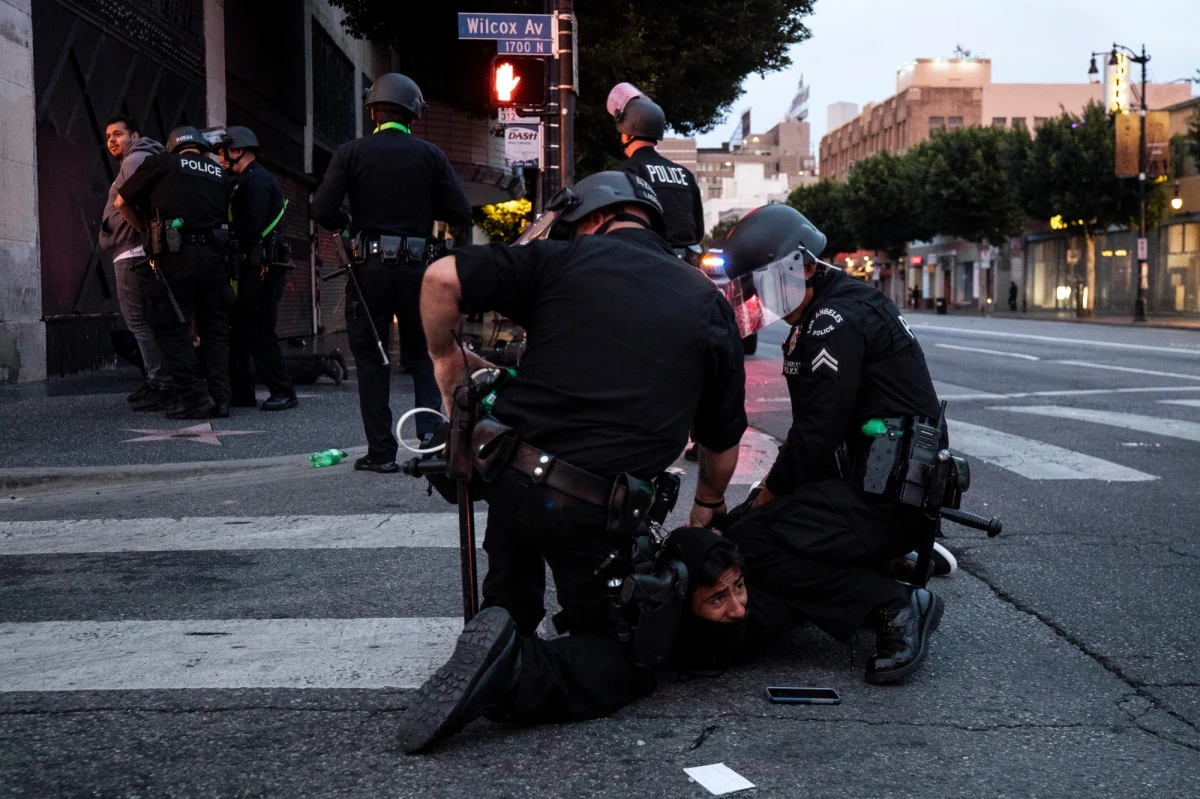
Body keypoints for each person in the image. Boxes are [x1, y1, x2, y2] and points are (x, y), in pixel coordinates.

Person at [397, 171, 748, 753]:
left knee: (511, 591)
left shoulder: (558, 261)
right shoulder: (706, 302)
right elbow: (721, 444)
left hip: (510, 476)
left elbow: (439, 278)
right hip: (594, 508)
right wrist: (707, 506)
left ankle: (502, 632)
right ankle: (514, 672)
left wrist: (444, 362)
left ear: (588, 220)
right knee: (621, 657)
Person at [716, 203, 945, 685]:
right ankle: (865, 568)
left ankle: (895, 606)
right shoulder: (835, 307)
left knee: (749, 543)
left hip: (881, 496)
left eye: (764, 285)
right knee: (742, 526)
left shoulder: (833, 320)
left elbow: (816, 432)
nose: (764, 301)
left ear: (795, 268)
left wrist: (769, 494)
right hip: (873, 486)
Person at [311, 73, 473, 472]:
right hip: (419, 271)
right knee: (425, 354)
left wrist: (348, 220)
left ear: (372, 111)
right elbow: (461, 213)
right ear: (414, 113)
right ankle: (431, 443)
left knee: (371, 358)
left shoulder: (351, 152)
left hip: (368, 271)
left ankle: (381, 453)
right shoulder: (431, 155)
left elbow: (321, 210)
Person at [116, 126, 235, 419]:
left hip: (175, 256)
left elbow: (121, 202)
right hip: (215, 259)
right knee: (215, 330)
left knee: (171, 326)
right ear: (200, 147)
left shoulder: (161, 163)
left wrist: (146, 230)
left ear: (173, 147)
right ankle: (221, 400)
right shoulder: (220, 172)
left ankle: (195, 398)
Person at [216, 126, 298, 412]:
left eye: (223, 150)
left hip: (262, 268)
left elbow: (251, 227)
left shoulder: (258, 181)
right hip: (251, 268)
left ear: (238, 150)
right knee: (239, 330)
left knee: (260, 329)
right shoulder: (243, 180)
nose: (220, 156)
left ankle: (283, 391)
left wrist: (225, 237)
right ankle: (242, 393)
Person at [99, 116, 172, 410]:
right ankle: (158, 381)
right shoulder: (145, 158)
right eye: (108, 137)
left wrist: (140, 231)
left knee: (138, 322)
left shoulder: (133, 161)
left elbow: (126, 204)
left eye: (118, 134)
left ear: (135, 135)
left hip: (131, 253)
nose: (112, 140)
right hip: (135, 252)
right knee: (149, 321)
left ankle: (161, 383)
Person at [607, 83, 705, 250]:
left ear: (628, 132)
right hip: (685, 265)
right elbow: (698, 230)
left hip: (646, 263)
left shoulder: (626, 173)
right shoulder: (684, 174)